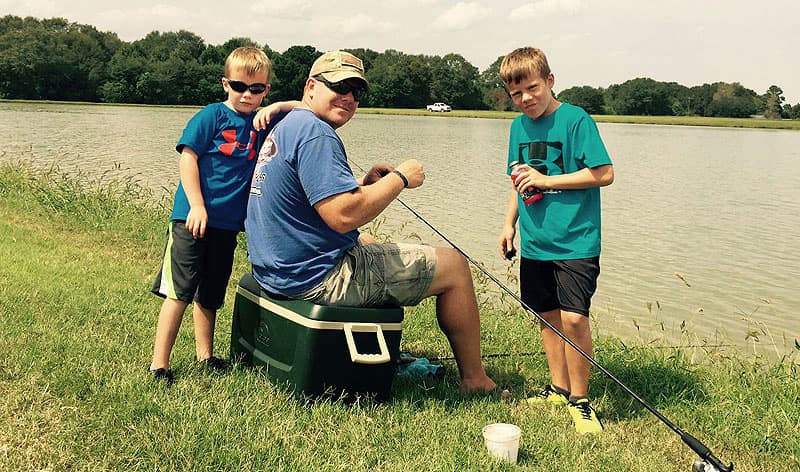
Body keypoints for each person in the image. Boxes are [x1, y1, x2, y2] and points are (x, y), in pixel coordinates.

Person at [245, 50, 502, 395]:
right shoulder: (317, 134)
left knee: (365, 241)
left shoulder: (290, 126)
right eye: (340, 86)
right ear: (310, 87)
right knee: (454, 266)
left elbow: (316, 205)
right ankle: (475, 380)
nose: (349, 98)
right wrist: (399, 178)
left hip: (277, 272)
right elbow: (343, 216)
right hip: (316, 279)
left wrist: (367, 185)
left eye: (356, 91)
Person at [148, 47, 297, 385]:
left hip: (227, 225)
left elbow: (308, 108)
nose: (247, 94)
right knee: (180, 292)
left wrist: (277, 107)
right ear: (225, 84)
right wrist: (197, 205)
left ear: (266, 91)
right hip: (192, 219)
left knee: (212, 293)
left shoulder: (266, 120)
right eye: (240, 86)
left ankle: (206, 356)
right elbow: (188, 158)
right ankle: (159, 364)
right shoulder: (211, 116)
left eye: (257, 89)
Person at [496, 47, 614, 433]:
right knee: (546, 316)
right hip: (535, 241)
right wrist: (509, 225)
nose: (526, 99)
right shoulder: (517, 127)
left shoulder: (576, 119)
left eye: (532, 88)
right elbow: (519, 180)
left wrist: (548, 181)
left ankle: (581, 401)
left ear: (549, 81)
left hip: (576, 241)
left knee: (575, 319)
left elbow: (604, 173)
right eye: (516, 94)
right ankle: (558, 388)